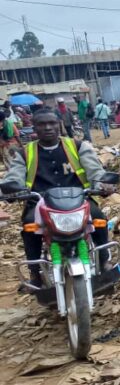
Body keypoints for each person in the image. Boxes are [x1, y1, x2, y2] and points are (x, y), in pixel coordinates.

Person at [0, 109, 111, 289]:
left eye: (52, 123)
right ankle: (35, 273)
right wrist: (12, 188)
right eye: (42, 124)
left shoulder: (77, 146)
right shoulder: (24, 153)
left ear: (59, 124)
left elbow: (95, 170)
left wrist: (102, 184)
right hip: (40, 203)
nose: (48, 128)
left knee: (99, 218)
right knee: (29, 228)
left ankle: (104, 259)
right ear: (34, 127)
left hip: (78, 199)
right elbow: (14, 176)